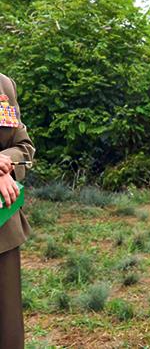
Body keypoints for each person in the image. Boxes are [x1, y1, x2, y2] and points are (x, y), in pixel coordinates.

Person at [0, 73, 35, 349]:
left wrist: (4, 164)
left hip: (3, 233)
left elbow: (23, 148)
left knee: (7, 334)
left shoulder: (3, 85)